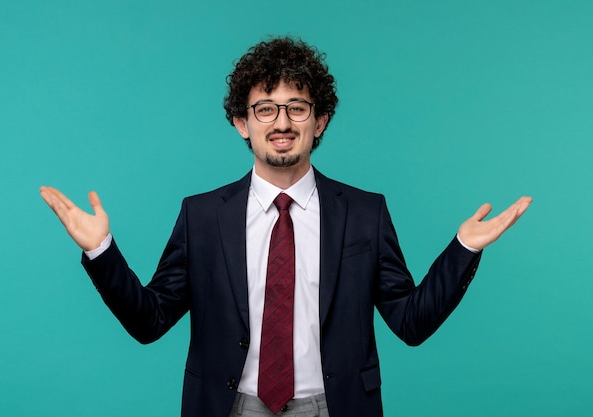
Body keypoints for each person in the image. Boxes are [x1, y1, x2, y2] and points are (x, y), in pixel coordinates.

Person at [40, 37, 532, 417]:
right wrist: (101, 250)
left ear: (319, 121)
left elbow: (410, 322)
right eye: (265, 109)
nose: (281, 122)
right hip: (230, 406)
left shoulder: (365, 212)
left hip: (332, 406)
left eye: (297, 108)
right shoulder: (201, 216)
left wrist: (463, 247)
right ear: (241, 122)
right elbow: (149, 321)